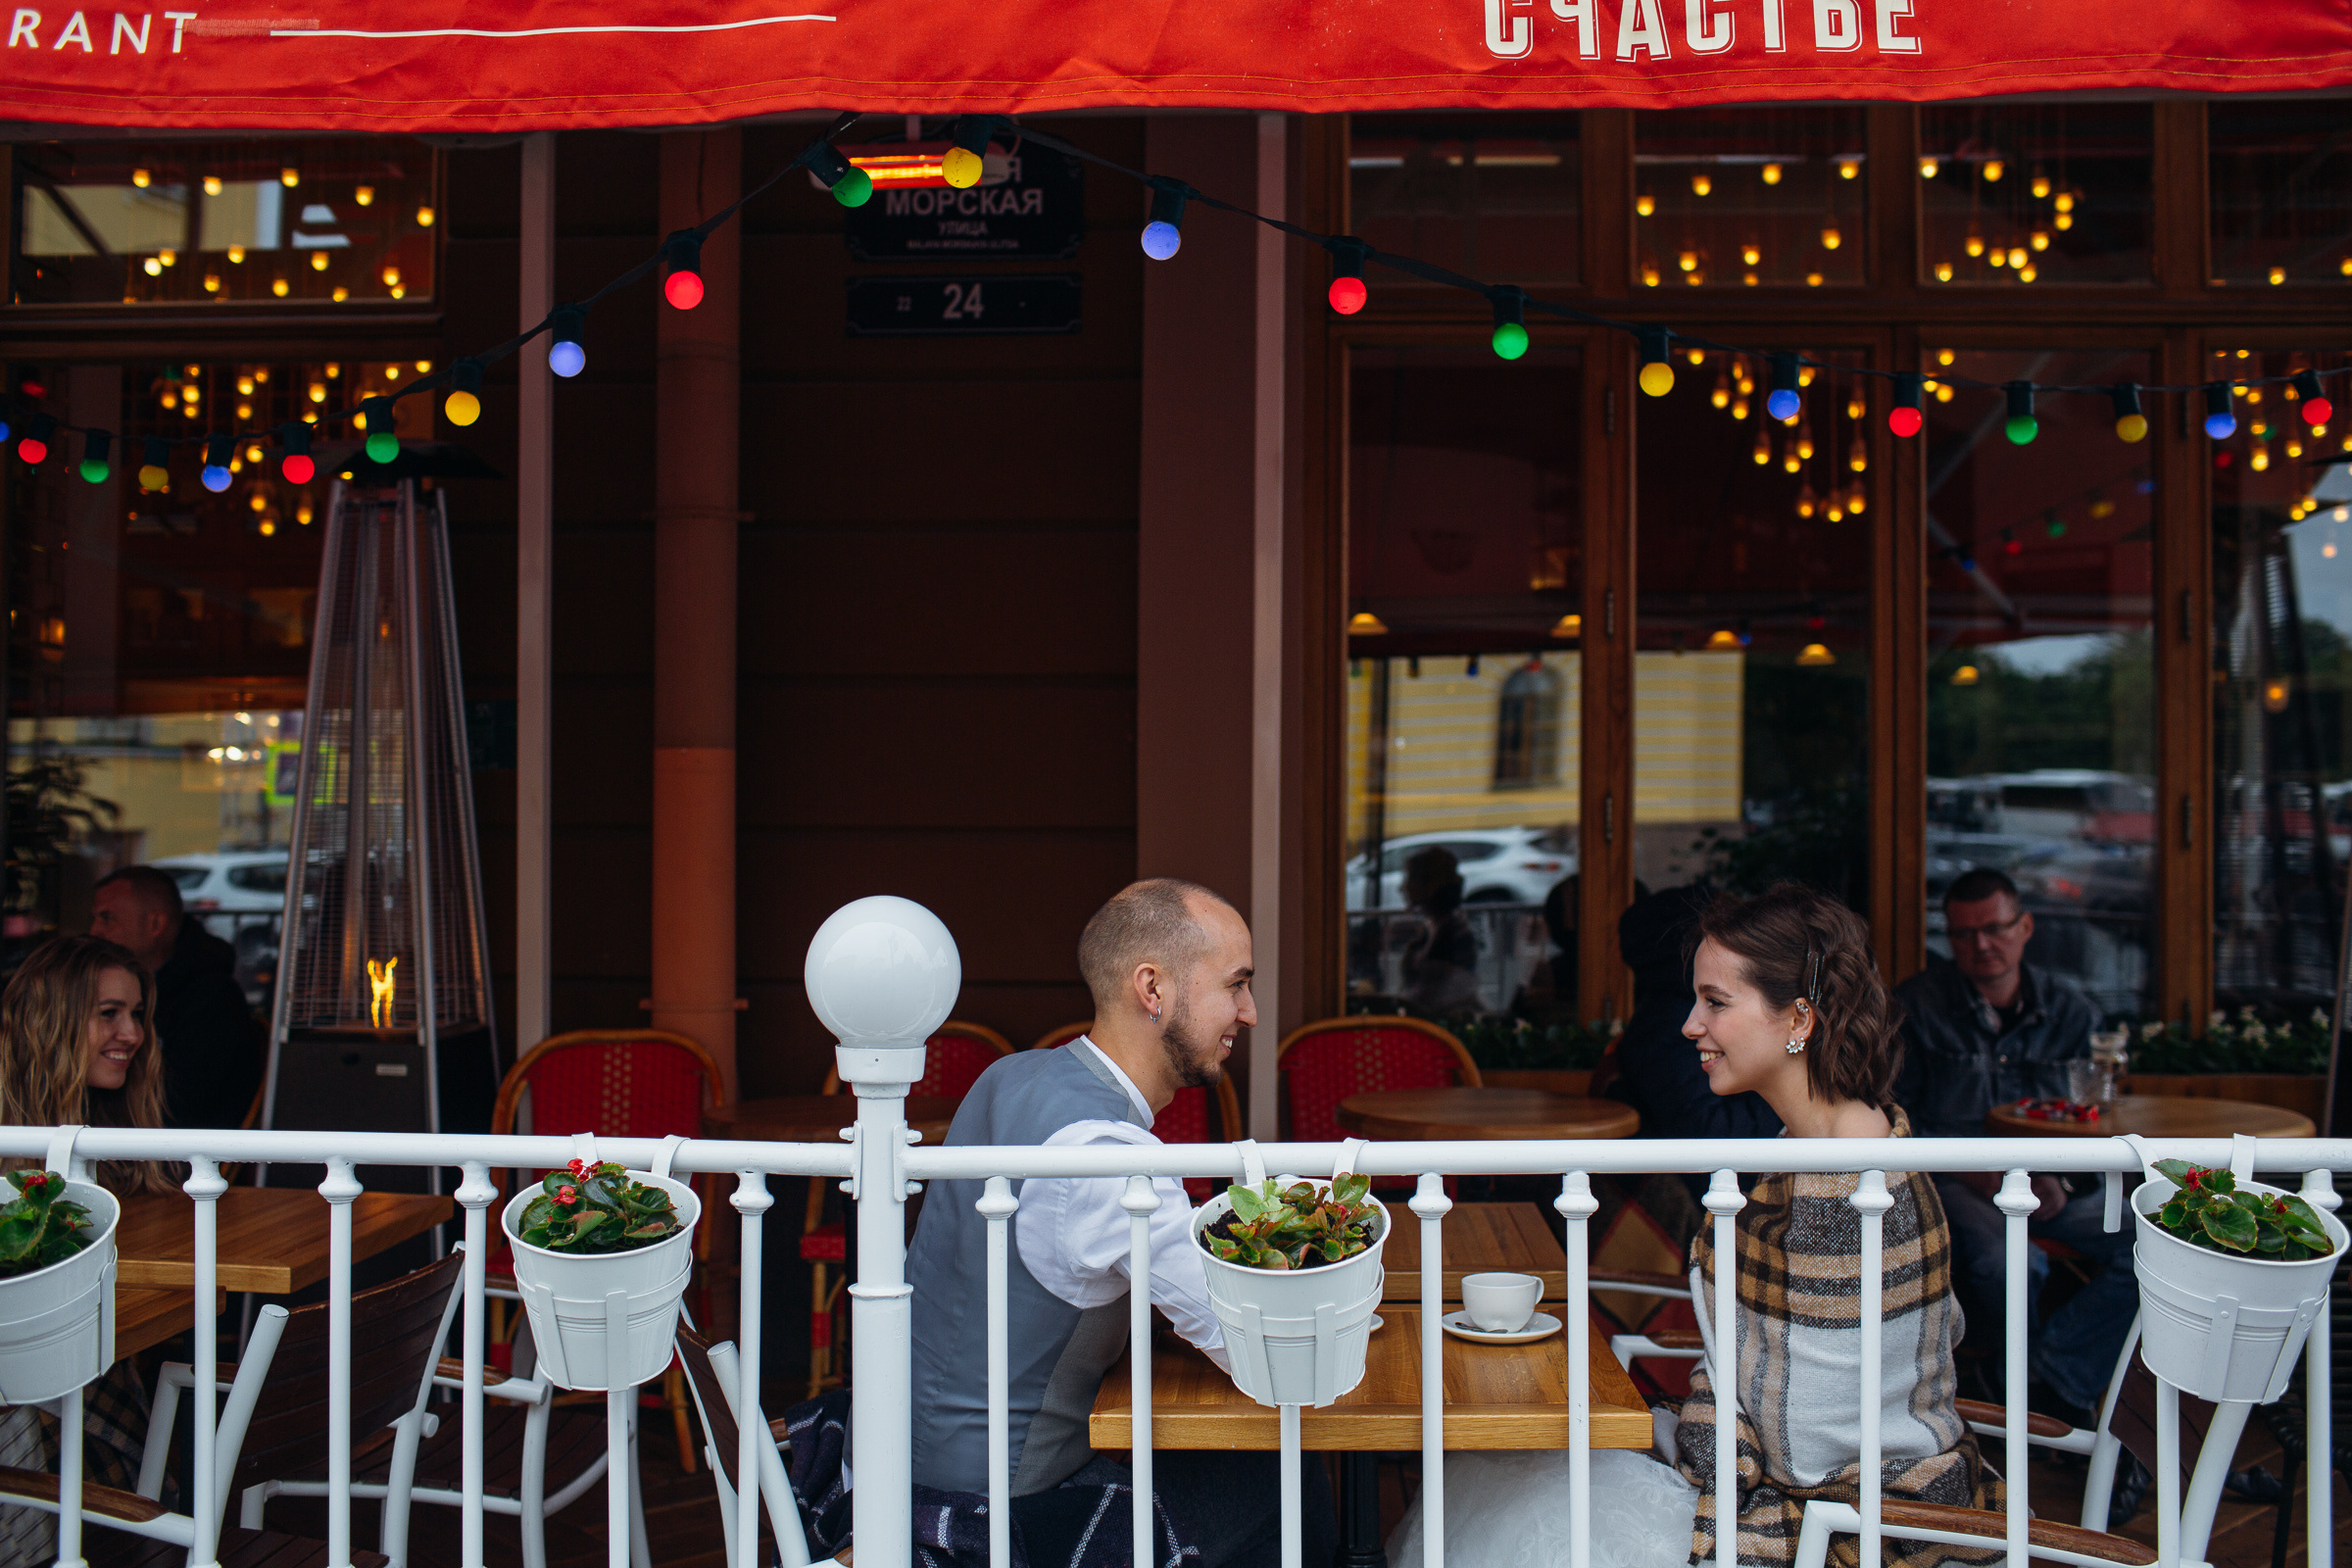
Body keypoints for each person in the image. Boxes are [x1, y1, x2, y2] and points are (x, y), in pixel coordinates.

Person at [1390, 886, 2003, 1568]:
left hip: (1836, 1528)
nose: (1689, 1025)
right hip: (1800, 1487)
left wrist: (1684, 1436)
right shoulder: (1832, 1142)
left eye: (1715, 1002)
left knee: (1499, 1501)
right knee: (1494, 1477)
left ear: (1799, 1017)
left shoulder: (1847, 1194)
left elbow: (1812, 1448)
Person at [905, 879, 1333, 1568]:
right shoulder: (1108, 1156)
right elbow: (1256, 1346)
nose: (1249, 1013)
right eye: (1236, 984)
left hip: (903, 1459)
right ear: (1152, 988)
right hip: (999, 1512)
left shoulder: (1011, 1076)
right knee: (1287, 1469)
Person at [1892, 867, 2134, 1426]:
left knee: (2158, 1244)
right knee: (2010, 1262)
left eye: (1995, 928)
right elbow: (1895, 1120)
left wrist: (2063, 1179)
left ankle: (2052, 1376)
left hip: (2055, 1183)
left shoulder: (2073, 1012)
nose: (1981, 944)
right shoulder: (1916, 1008)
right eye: (1963, 933)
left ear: (2025, 927)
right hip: (1956, 1182)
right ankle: (2017, 1404)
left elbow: (2098, 1118)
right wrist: (1977, 1172)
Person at [0, 935, 174, 1557]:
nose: (132, 1034)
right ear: (50, 1022)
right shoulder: (9, 1135)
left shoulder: (107, 1129)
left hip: (86, 1355)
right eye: (109, 1013)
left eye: (137, 1014)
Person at [1607, 881, 1782, 1152]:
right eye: (1723, 929)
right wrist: (1788, 1101)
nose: (1742, 942)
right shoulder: (1663, 1027)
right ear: (1689, 946)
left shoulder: (1670, 1014)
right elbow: (1714, 1134)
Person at [90, 864, 264, 1131]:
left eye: (107, 918)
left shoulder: (213, 1001)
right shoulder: (158, 982)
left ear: (155, 924)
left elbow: (179, 1107)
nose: (94, 931)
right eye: (110, 1013)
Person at [1391, 846, 1479, 1014]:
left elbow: (1431, 1000)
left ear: (1428, 885)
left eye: (1409, 879)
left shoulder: (1450, 934)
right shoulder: (1437, 929)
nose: (1403, 888)